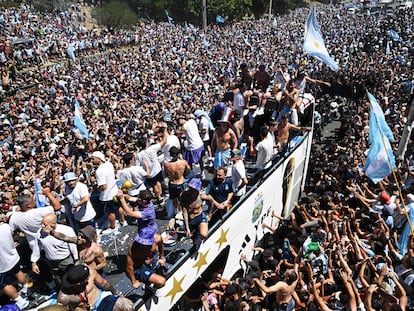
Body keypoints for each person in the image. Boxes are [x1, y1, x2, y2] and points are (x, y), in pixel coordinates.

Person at [117, 190, 166, 289]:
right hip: (141, 266)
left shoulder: (148, 212)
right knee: (161, 281)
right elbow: (129, 267)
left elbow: (130, 213)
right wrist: (125, 196)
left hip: (151, 260)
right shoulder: (135, 248)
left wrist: (161, 257)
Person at [31, 213, 78, 290]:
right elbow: (36, 248)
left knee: (71, 278)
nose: (42, 226)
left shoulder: (66, 230)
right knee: (58, 279)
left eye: (45, 224)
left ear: (53, 224)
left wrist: (76, 259)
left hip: (66, 261)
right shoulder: (40, 232)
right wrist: (34, 263)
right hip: (52, 263)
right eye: (41, 223)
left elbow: (73, 246)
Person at [58, 264, 131, 311]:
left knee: (126, 305)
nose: (89, 278)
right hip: (86, 309)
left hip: (102, 298)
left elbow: (105, 283)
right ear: (78, 283)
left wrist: (116, 292)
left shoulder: (91, 273)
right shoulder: (64, 297)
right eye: (87, 278)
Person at [0, 221, 29, 309]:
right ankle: (25, 288)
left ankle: (20, 300)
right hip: (13, 257)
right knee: (18, 272)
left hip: (2, 264)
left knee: (4, 285)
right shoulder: (5, 227)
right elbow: (12, 236)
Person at [91, 151, 122, 233]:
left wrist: (96, 189)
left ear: (99, 159)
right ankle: (123, 220)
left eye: (93, 159)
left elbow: (104, 187)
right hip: (115, 190)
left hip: (107, 195)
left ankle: (113, 227)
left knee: (110, 212)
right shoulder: (109, 164)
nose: (92, 161)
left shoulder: (99, 171)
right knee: (119, 207)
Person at [135, 127, 168, 205]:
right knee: (158, 183)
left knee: (154, 186)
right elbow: (164, 141)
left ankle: (159, 198)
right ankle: (161, 197)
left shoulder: (139, 155)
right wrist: (165, 130)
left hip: (150, 173)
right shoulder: (152, 148)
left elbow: (137, 166)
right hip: (157, 169)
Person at [181, 178, 208, 250]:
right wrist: (187, 227)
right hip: (190, 218)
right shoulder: (184, 196)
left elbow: (211, 200)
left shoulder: (201, 196)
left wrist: (210, 213)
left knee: (204, 234)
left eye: (193, 189)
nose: (191, 191)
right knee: (190, 236)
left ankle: (198, 238)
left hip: (199, 217)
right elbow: (185, 212)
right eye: (190, 188)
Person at [164, 146, 192, 212]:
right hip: (181, 183)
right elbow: (189, 169)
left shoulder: (167, 164)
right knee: (182, 198)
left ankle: (177, 212)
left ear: (170, 154)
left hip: (172, 184)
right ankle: (182, 211)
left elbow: (165, 174)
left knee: (174, 199)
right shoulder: (183, 162)